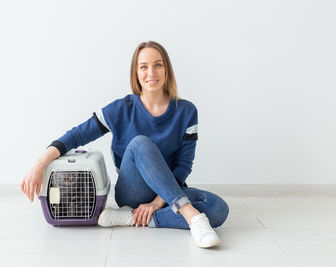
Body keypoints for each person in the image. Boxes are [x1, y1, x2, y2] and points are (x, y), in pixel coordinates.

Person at [21, 41, 229, 248]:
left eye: (158, 65)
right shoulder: (121, 109)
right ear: (136, 73)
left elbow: (184, 165)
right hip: (132, 191)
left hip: (167, 194)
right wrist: (40, 162)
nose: (151, 73)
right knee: (140, 143)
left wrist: (157, 203)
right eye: (144, 66)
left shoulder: (186, 111)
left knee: (218, 208)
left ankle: (134, 218)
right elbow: (77, 135)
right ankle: (192, 217)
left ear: (167, 69)